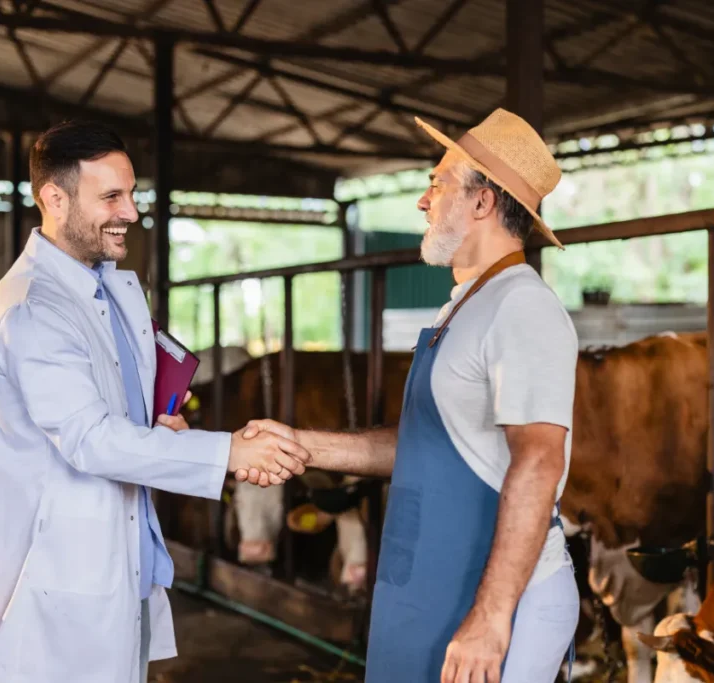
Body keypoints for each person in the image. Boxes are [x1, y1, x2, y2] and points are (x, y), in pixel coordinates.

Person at [239, 108, 581, 683]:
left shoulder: (523, 306)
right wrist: (300, 445)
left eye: (437, 183)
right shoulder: (465, 305)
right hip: (437, 578)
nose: (425, 202)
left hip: (496, 597)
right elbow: (424, 447)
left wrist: (492, 619)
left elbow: (540, 461)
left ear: (482, 203)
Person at [0, 119, 310, 683]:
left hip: (119, 558)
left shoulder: (108, 289)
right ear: (53, 199)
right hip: (60, 579)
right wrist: (227, 452)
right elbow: (90, 439)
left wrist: (162, 432)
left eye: (132, 194)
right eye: (111, 196)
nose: (131, 212)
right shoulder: (33, 308)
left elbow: (116, 417)